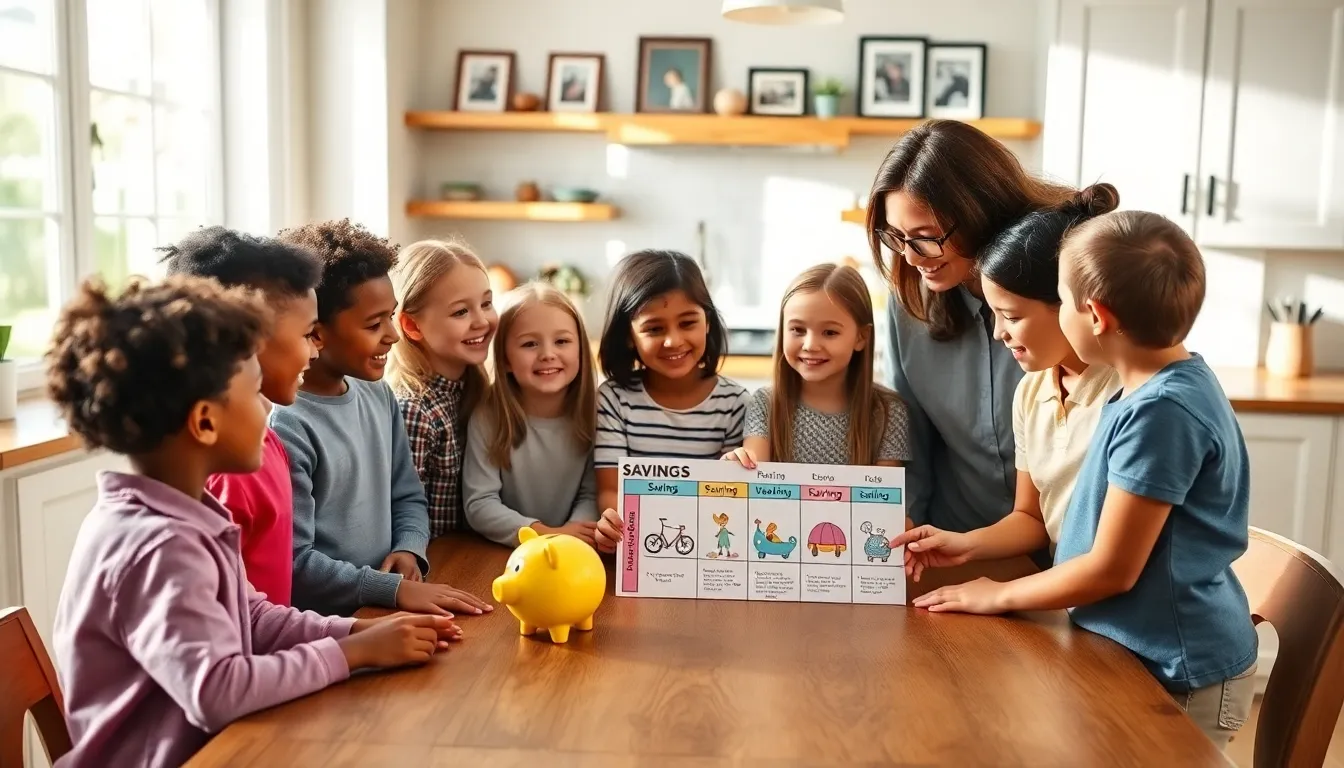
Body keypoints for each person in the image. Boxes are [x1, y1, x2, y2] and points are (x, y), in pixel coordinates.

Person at [47, 275, 461, 768]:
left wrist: (357, 633)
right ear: (205, 422)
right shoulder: (159, 546)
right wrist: (352, 655)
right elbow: (216, 689)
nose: (269, 408)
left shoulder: (186, 512)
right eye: (255, 391)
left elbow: (255, 617)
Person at [913, 211, 1259, 750]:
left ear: (1093, 314)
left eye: (1060, 296)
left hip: (1178, 667)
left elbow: (1111, 570)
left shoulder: (1161, 413)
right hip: (1135, 652)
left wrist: (999, 594)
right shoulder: (1155, 388)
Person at [892, 184, 1122, 578]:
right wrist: (962, 545)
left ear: (1072, 305)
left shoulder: (1129, 394)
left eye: (1011, 317)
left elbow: (1112, 566)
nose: (998, 333)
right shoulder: (1032, 393)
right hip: (1070, 601)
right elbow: (1032, 518)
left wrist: (1000, 594)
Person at [272, 220, 492, 618]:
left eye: (390, 317)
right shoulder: (288, 426)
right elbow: (296, 562)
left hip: (388, 604)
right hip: (333, 625)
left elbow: (407, 496)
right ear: (316, 334)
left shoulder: (377, 395)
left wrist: (409, 548)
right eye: (374, 324)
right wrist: (388, 589)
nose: (392, 334)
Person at [868, 119, 1078, 533]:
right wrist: (908, 528)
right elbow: (914, 438)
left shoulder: (1066, 287)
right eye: (896, 237)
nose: (911, 258)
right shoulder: (909, 302)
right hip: (957, 542)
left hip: (1068, 551)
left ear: (979, 212)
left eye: (926, 236)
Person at [159, 226, 320, 607]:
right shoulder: (228, 471)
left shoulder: (267, 442)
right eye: (308, 334)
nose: (315, 351)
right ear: (250, 341)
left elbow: (257, 613)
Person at [591, 250, 749, 553]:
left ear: (708, 323)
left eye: (687, 323)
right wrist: (612, 524)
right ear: (628, 336)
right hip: (635, 550)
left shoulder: (735, 403)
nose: (673, 341)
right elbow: (611, 490)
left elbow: (730, 497)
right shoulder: (614, 398)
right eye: (654, 328)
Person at [723, 263, 911, 469]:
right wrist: (736, 468)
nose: (810, 345)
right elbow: (755, 480)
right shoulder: (765, 403)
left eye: (830, 332)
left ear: (861, 337)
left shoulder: (887, 411)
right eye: (798, 329)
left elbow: (884, 497)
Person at [462, 283, 599, 547]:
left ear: (581, 349)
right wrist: (542, 533)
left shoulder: (598, 417)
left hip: (575, 551)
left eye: (562, 341)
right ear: (505, 359)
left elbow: (592, 494)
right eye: (529, 344)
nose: (548, 354)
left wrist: (572, 534)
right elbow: (480, 503)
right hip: (505, 552)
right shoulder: (488, 417)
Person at [386, 238, 497, 538]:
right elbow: (401, 517)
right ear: (411, 326)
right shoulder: (414, 411)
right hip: (435, 566)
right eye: (461, 312)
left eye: (486, 303)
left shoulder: (472, 390)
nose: (482, 321)